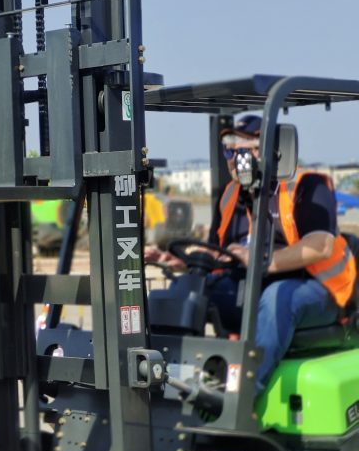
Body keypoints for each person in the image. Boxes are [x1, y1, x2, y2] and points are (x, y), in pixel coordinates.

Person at [147, 114, 355, 396]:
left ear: (270, 149)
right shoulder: (231, 194)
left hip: (320, 292)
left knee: (277, 297)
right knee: (183, 291)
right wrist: (185, 263)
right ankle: (170, 386)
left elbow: (320, 245)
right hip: (252, 289)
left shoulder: (308, 185)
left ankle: (241, 396)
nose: (236, 158)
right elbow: (219, 252)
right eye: (230, 150)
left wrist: (259, 260)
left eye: (245, 150)